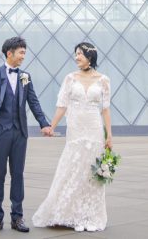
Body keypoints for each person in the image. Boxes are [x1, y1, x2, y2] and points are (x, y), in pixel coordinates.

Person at [31, 41, 112, 232]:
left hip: (94, 129)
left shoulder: (103, 80)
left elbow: (105, 110)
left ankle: (89, 215)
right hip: (75, 129)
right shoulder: (70, 78)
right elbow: (62, 105)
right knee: (72, 168)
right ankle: (69, 214)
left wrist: (109, 135)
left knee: (91, 172)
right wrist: (51, 126)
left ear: (90, 56)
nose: (76, 57)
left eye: (80, 54)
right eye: (76, 54)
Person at [0, 36, 53, 233]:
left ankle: (17, 217)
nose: (23, 56)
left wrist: (44, 123)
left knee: (18, 175)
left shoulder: (24, 76)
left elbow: (33, 101)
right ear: (9, 53)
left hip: (20, 133)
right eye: (21, 53)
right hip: (0, 132)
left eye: (24, 53)